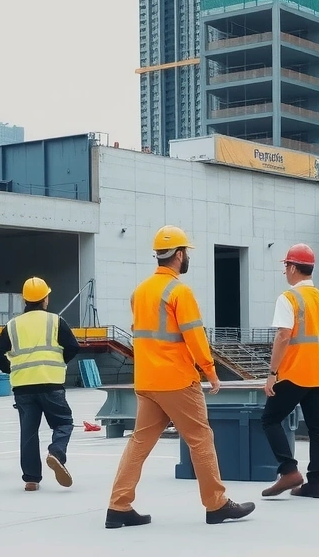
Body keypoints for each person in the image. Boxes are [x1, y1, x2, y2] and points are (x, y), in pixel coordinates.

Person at [105, 225, 255, 528]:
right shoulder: (179, 292)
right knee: (201, 439)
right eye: (187, 253)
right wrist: (211, 372)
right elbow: (195, 337)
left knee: (139, 443)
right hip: (176, 380)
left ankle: (118, 506)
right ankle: (216, 504)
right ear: (180, 254)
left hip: (146, 381)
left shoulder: (140, 292)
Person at [260, 243, 319, 500]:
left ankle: (289, 471)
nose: (285, 271)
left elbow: (283, 335)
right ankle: (315, 484)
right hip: (318, 374)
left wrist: (272, 373)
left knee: (270, 419)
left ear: (293, 267)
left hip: (293, 373)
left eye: (286, 266)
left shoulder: (289, 298)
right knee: (317, 427)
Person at [0, 276, 80, 492]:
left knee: (28, 433)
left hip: (23, 388)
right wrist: (59, 362)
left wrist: (11, 368)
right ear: (45, 299)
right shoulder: (55, 321)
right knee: (63, 423)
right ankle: (56, 453)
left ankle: (31, 479)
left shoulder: (12, 325)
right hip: (50, 383)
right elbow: (73, 346)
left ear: (25, 299)